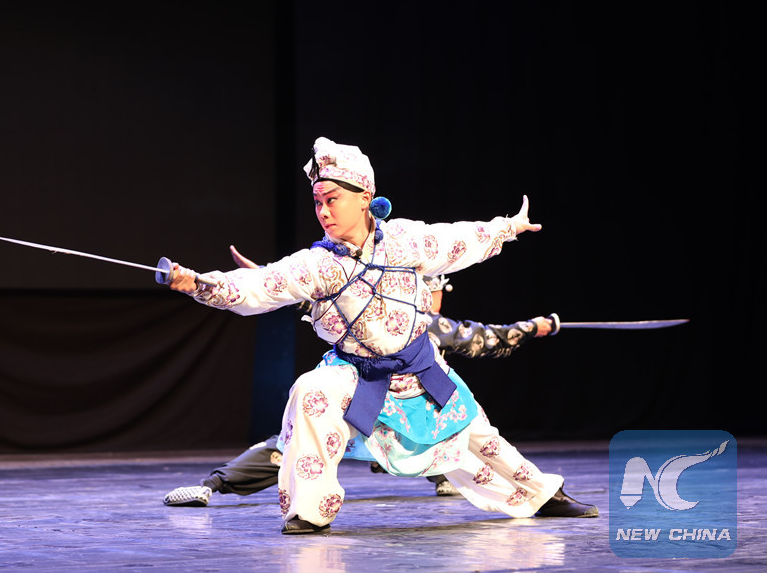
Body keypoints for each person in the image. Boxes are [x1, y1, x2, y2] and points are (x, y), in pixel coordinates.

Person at [162, 136, 597, 534]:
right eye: (317, 202)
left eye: (332, 200)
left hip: (419, 370)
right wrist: (197, 283)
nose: (323, 212)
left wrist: (508, 227)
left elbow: (458, 239)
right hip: (357, 376)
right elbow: (259, 286)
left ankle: (543, 495)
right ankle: (308, 511)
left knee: (479, 438)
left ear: (365, 198)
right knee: (311, 391)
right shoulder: (318, 264)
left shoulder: (404, 240)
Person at [163, 266, 556, 506]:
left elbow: (485, 336)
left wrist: (535, 327)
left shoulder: (427, 325)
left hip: (400, 417)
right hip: (364, 405)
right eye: (434, 290)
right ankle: (214, 483)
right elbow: (309, 297)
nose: (436, 298)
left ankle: (451, 478)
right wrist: (256, 280)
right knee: (295, 442)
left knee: (448, 431)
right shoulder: (401, 317)